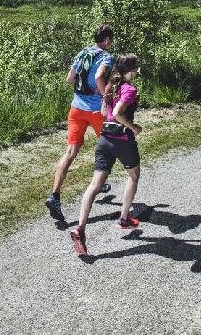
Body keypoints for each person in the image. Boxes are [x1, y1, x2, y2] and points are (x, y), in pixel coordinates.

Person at [70, 53, 142, 256]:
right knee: (133, 176)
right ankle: (124, 218)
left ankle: (80, 227)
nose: (137, 72)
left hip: (104, 140)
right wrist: (133, 126)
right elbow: (118, 113)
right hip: (122, 140)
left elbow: (103, 112)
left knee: (95, 185)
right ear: (131, 70)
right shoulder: (129, 89)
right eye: (136, 69)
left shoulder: (111, 86)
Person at [45, 24, 115, 221]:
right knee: (109, 146)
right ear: (107, 40)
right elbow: (100, 76)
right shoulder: (107, 57)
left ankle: (55, 195)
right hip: (95, 111)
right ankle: (98, 183)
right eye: (111, 39)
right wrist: (105, 96)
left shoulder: (82, 53)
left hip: (76, 109)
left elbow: (70, 78)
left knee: (70, 152)